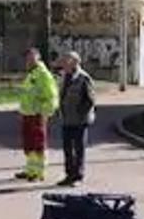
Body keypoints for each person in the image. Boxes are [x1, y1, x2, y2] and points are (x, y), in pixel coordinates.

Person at [15, 48, 59, 182]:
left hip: (37, 114)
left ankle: (39, 172)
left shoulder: (43, 74)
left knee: (38, 143)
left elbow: (52, 95)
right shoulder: (32, 74)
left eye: (31, 58)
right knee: (28, 143)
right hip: (28, 113)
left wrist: (44, 112)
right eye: (27, 59)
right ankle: (30, 169)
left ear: (38, 58)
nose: (28, 61)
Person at [56, 51, 97, 187]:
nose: (63, 63)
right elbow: (61, 95)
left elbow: (90, 100)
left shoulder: (84, 78)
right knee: (67, 149)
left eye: (66, 60)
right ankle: (69, 175)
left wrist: (81, 113)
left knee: (79, 149)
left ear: (74, 62)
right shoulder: (64, 77)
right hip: (66, 119)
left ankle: (78, 176)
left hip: (80, 121)